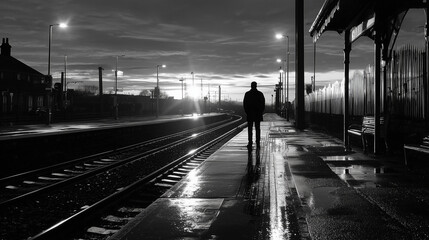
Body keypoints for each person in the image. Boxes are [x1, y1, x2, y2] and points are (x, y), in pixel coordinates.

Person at [243, 81, 265, 149]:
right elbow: (263, 104)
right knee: (257, 128)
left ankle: (250, 142)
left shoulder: (247, 94)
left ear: (251, 86)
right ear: (256, 86)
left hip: (250, 114)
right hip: (257, 114)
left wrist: (247, 112)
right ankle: (257, 142)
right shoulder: (260, 94)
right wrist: (260, 112)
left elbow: (245, 104)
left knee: (250, 129)